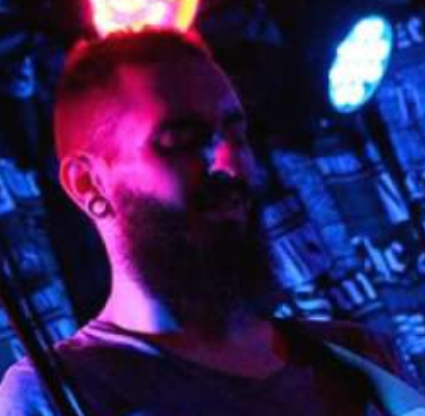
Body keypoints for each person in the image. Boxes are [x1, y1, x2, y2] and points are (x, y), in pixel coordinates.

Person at [0, 28, 415, 416]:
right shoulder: (60, 389)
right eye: (181, 141)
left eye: (237, 135)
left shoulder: (360, 356)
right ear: (89, 183)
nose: (231, 164)